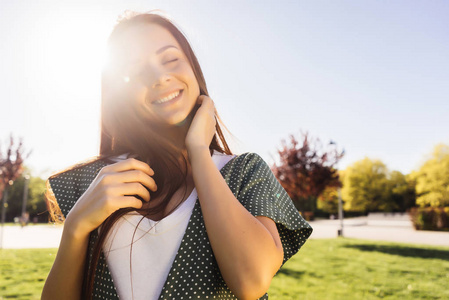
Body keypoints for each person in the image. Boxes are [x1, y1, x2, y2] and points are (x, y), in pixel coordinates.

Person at [42, 11, 312, 300]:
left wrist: (198, 151)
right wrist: (75, 227)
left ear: (194, 69)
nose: (160, 77)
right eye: (135, 72)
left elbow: (251, 281)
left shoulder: (243, 172)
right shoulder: (96, 182)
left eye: (170, 60)